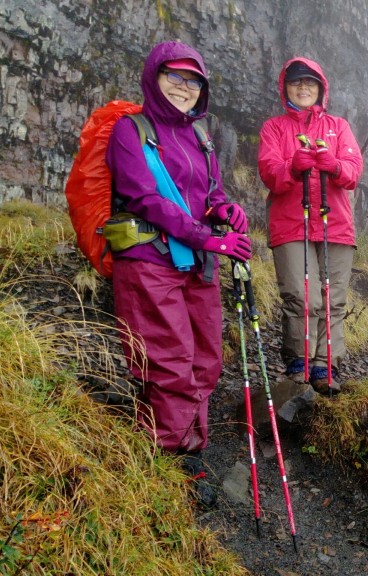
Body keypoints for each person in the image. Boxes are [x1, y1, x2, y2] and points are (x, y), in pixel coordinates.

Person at [106, 41, 252, 508]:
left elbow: (209, 190)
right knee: (168, 360)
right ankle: (165, 466)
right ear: (154, 77)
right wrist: (210, 239)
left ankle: (189, 446)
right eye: (175, 76)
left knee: (206, 358)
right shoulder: (130, 132)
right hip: (150, 262)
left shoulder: (201, 137)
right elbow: (147, 199)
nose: (184, 87)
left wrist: (224, 209)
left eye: (193, 81)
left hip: (197, 266)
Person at [257, 57, 363, 394]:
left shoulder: (339, 126)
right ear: (285, 87)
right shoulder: (274, 128)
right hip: (291, 224)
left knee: (333, 299)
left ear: (321, 89)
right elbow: (269, 171)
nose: (303, 87)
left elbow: (353, 171)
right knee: (302, 297)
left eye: (310, 82)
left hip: (336, 225)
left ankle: (325, 365)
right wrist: (291, 168)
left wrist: (334, 166)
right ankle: (299, 361)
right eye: (296, 82)